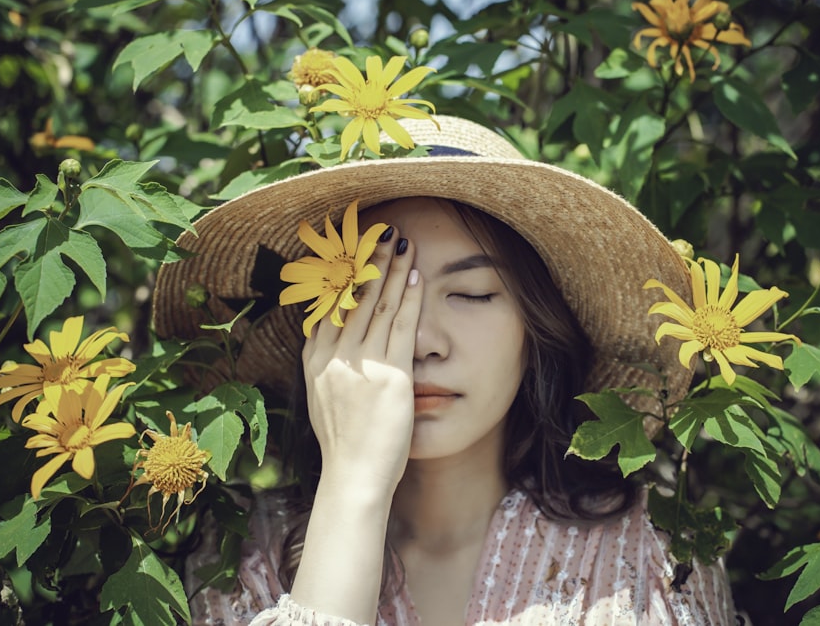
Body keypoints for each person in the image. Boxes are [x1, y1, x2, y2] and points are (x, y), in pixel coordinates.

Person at [152, 116, 738, 625]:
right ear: (318, 330)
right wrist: (353, 486)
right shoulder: (242, 553)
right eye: (374, 298)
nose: (421, 342)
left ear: (536, 331)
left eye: (475, 294)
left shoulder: (649, 557)